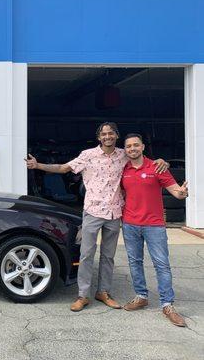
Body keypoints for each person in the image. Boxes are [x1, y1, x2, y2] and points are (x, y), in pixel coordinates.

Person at [26, 122, 168, 312]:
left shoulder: (123, 154)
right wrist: (37, 165)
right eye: (104, 134)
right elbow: (64, 168)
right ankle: (82, 295)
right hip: (93, 212)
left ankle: (103, 292)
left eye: (111, 133)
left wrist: (161, 161)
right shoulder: (88, 155)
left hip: (115, 213)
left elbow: (142, 160)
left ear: (116, 136)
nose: (107, 136)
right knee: (86, 255)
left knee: (108, 256)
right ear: (99, 137)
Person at [120, 133, 188, 327]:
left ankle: (167, 304)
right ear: (125, 150)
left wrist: (182, 193)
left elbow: (175, 190)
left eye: (135, 145)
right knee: (134, 262)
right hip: (130, 224)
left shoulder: (156, 167)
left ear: (142, 147)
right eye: (128, 146)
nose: (132, 149)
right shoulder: (123, 169)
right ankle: (141, 296)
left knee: (162, 265)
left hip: (154, 225)